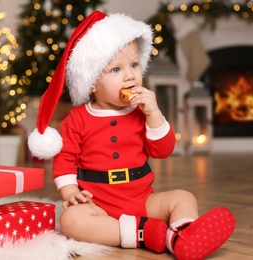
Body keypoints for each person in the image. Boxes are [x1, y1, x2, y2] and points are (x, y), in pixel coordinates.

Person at [28, 11, 236, 259]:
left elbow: (163, 150)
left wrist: (155, 114)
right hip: (98, 206)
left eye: (134, 65)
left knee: (183, 197)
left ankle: (181, 235)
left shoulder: (141, 112)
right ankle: (143, 233)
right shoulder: (77, 119)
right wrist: (71, 193)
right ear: (92, 83)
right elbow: (65, 160)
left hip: (141, 200)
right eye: (116, 69)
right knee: (72, 220)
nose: (129, 75)